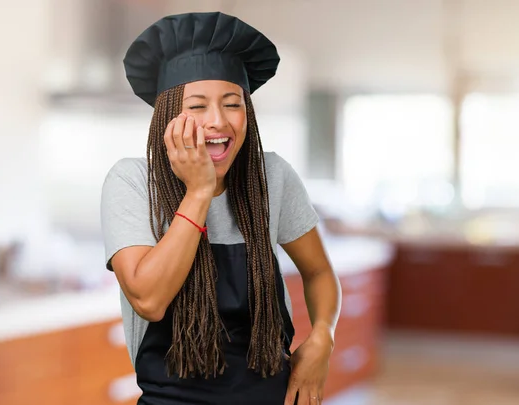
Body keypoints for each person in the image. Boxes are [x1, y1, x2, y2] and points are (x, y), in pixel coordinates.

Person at [100, 11, 341, 405]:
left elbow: (318, 271)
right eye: (197, 107)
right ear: (168, 117)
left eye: (232, 104)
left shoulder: (272, 177)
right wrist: (198, 191)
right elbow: (148, 299)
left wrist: (322, 337)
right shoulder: (132, 182)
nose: (218, 121)